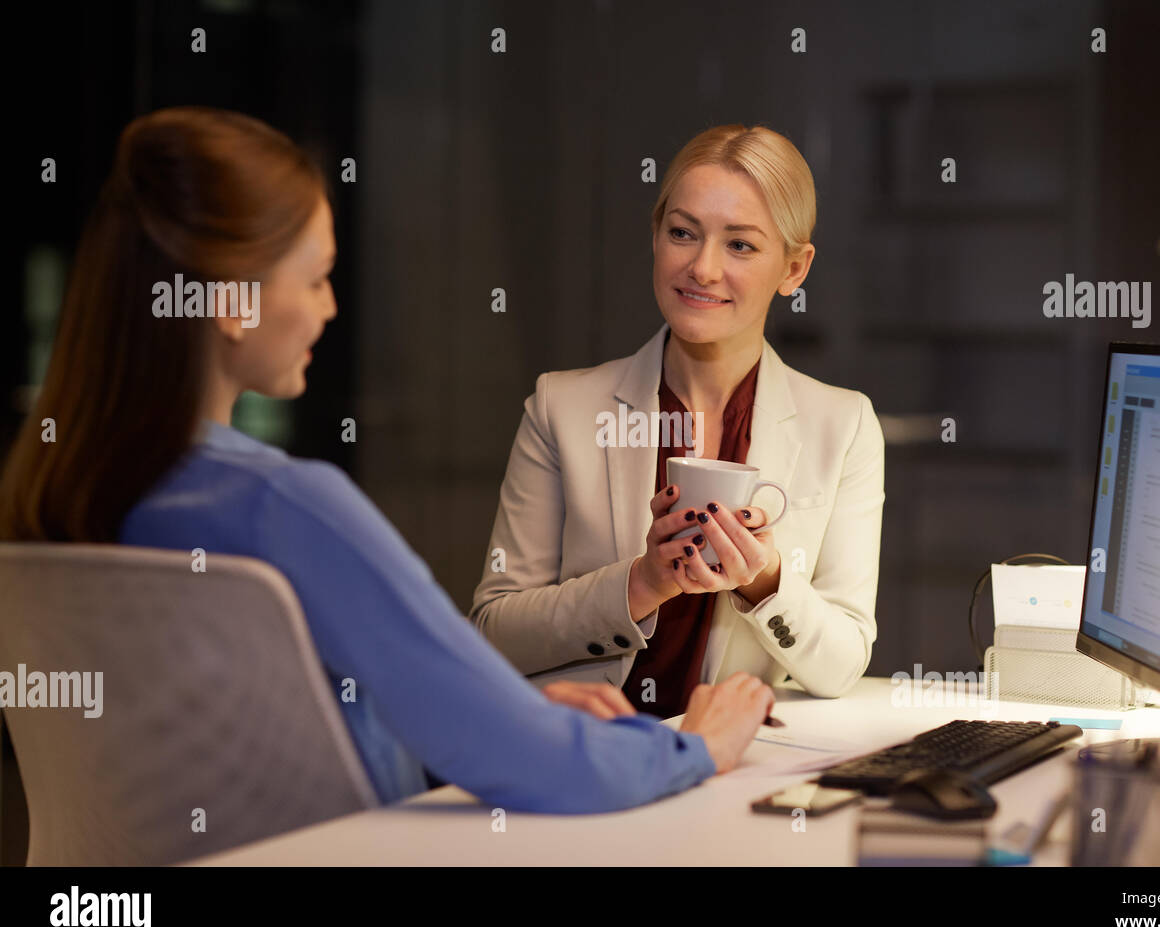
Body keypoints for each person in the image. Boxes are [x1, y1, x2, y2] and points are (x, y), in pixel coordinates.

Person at [0, 106, 773, 813]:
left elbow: (250, 752)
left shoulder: (51, 490)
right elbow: (550, 772)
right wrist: (694, 746)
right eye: (316, 278)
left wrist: (503, 715)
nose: (330, 307)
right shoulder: (286, 507)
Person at [472, 124, 886, 719]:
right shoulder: (560, 409)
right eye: (683, 233)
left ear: (794, 269)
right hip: (588, 764)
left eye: (740, 245)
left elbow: (842, 664)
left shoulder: (842, 426)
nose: (704, 268)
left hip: (736, 772)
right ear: (657, 235)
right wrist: (640, 584)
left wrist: (765, 582)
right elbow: (492, 632)